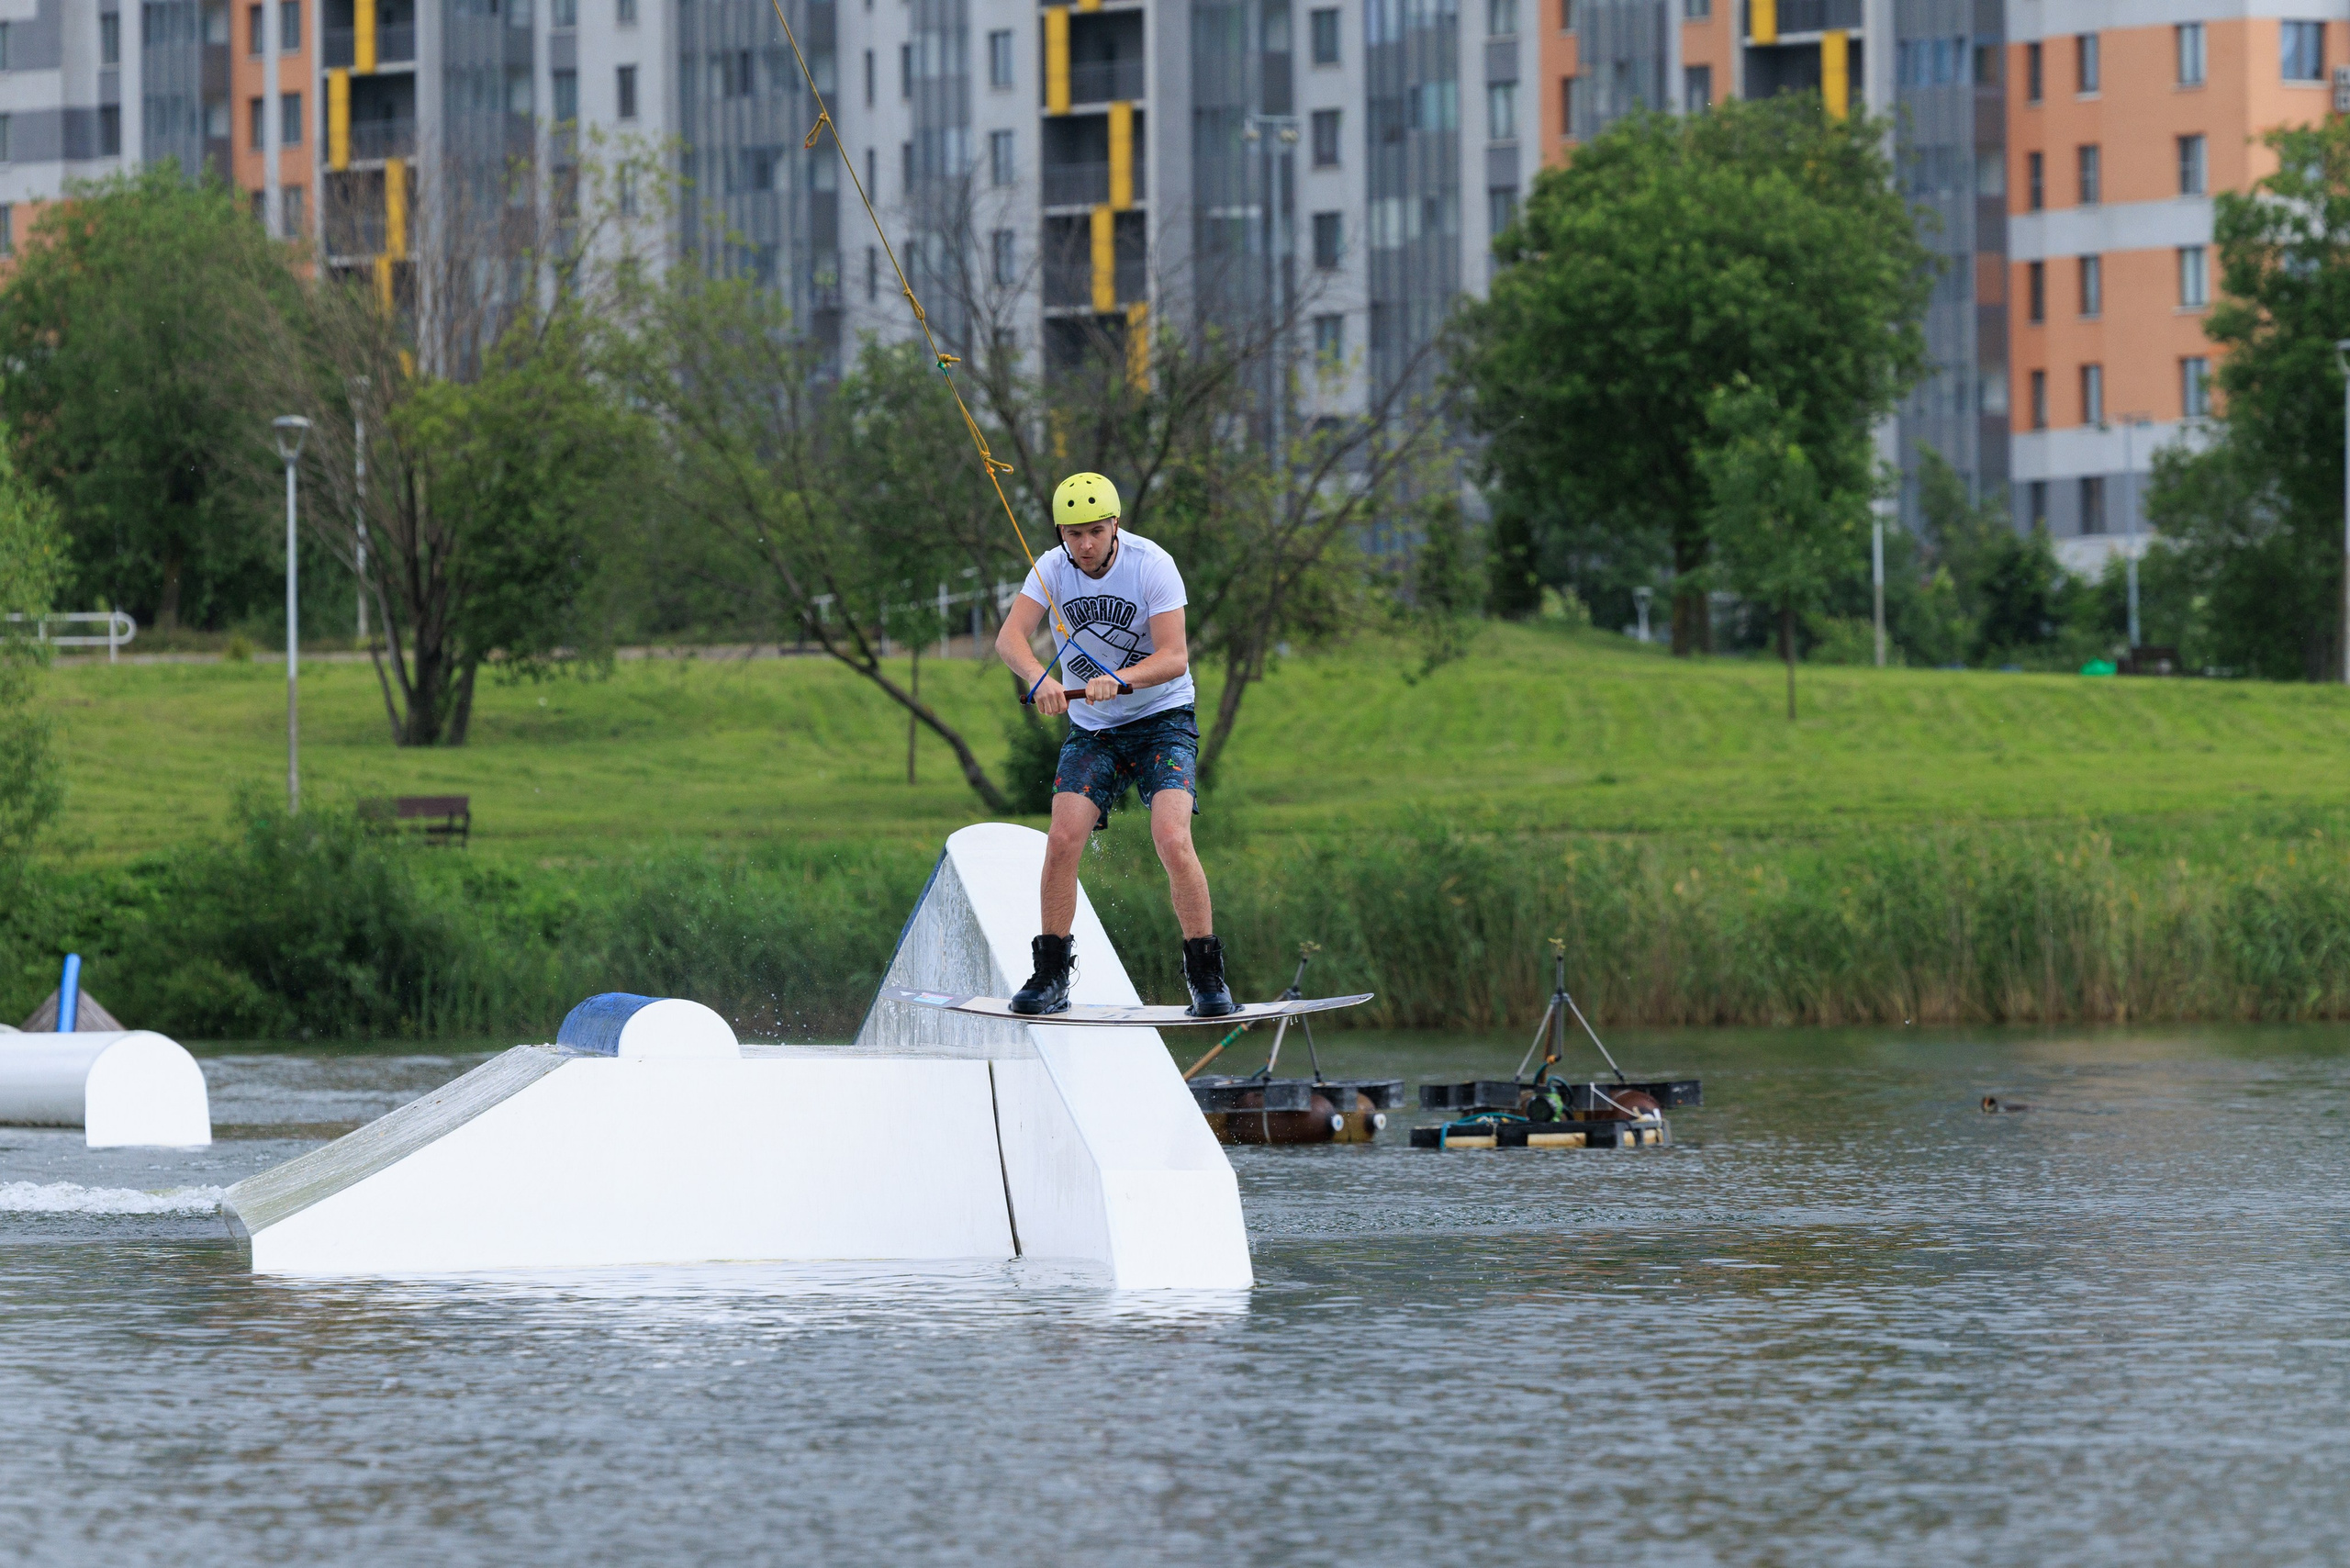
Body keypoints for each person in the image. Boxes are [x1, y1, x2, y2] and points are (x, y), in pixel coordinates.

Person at [992, 471, 1237, 1019]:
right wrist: (1040, 680)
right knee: (1060, 840)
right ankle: (1051, 973)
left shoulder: (1153, 565)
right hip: (1093, 731)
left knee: (1172, 838)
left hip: (1162, 718)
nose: (1085, 545)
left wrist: (1122, 679)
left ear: (1114, 526)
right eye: (1074, 533)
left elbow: (1175, 657)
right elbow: (1010, 640)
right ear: (1061, 533)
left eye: (1095, 532)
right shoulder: (1051, 570)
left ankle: (1205, 975)